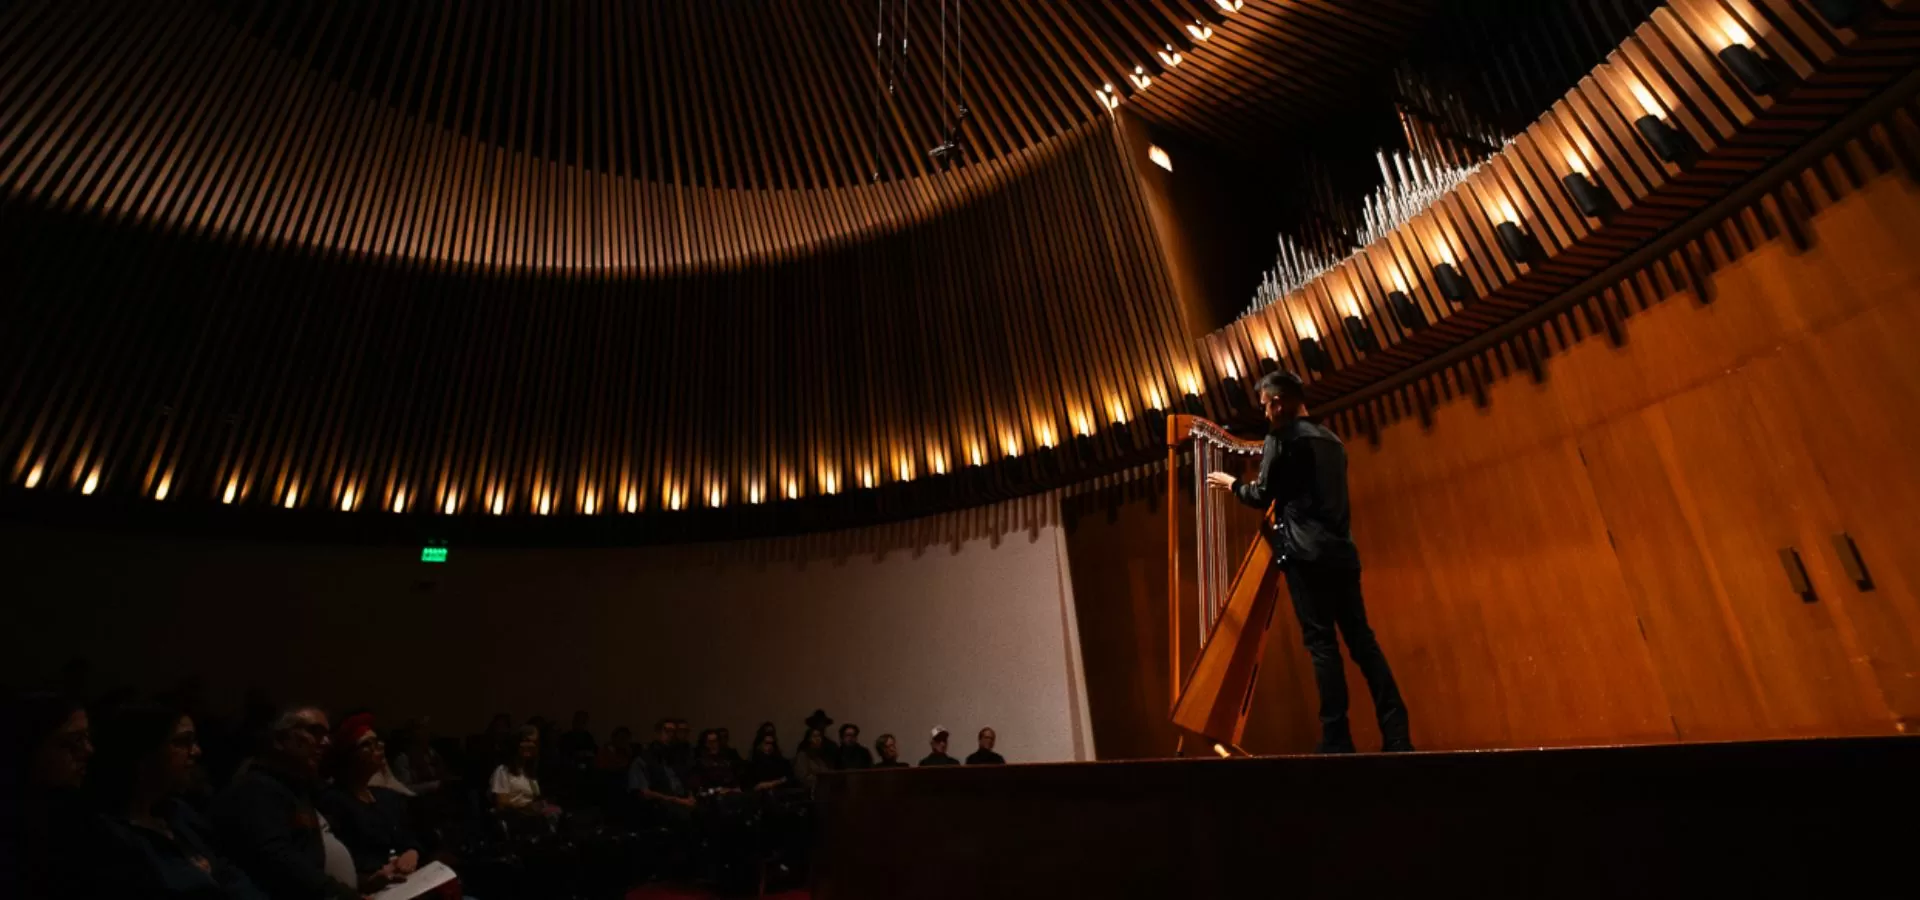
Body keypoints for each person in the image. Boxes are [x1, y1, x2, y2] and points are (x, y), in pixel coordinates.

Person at [1206, 369, 1414, 754]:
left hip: (1306, 556)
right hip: (1343, 555)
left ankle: (1337, 739)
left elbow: (1261, 494)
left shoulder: (1280, 439)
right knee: (1362, 643)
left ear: (1280, 402)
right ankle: (1397, 732)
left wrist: (1232, 484)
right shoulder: (1332, 441)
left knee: (1322, 646)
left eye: (1267, 406)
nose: (1266, 414)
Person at [85, 701, 266, 897]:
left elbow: (227, 871)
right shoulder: (110, 835)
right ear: (143, 754)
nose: (196, 751)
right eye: (182, 742)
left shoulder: (179, 812)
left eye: (194, 742)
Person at [210, 705, 360, 899]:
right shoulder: (255, 789)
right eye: (314, 731)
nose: (326, 742)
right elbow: (277, 861)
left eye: (327, 735)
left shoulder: (296, 787)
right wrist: (341, 894)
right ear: (280, 739)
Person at [317, 714, 424, 891]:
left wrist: (412, 852)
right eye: (367, 744)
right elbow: (345, 861)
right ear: (347, 757)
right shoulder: (334, 802)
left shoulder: (386, 797)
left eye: (377, 741)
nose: (379, 747)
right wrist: (373, 877)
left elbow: (409, 837)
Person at [3, 693, 93, 899]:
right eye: (73, 742)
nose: (88, 750)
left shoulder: (72, 813)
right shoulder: (18, 835)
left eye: (87, 737)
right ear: (29, 746)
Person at [491, 725, 559, 821]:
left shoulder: (530, 773)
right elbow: (502, 803)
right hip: (515, 819)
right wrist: (526, 807)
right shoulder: (503, 771)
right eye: (526, 741)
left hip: (533, 818)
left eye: (534, 743)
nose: (530, 746)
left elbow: (535, 797)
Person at [629, 720, 694, 819]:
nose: (671, 735)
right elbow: (644, 792)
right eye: (667, 731)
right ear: (657, 733)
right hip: (660, 804)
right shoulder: (643, 759)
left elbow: (686, 782)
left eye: (674, 732)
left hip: (681, 800)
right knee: (683, 816)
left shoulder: (677, 758)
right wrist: (676, 800)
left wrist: (690, 796)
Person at [688, 729, 739, 795]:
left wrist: (732, 790)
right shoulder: (699, 764)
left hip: (729, 795)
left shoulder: (725, 762)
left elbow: (734, 783)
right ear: (704, 744)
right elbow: (698, 790)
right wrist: (715, 791)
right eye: (709, 742)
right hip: (710, 797)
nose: (713, 744)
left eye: (715, 741)